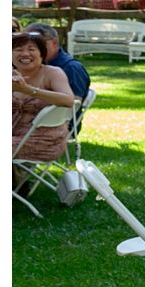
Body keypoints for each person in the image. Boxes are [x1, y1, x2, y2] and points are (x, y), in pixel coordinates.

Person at [13, 31, 78, 180]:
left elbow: (68, 100)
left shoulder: (52, 73)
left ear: (42, 54)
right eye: (18, 49)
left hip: (44, 140)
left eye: (31, 49)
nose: (25, 54)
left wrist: (28, 90)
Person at [23, 23, 91, 103]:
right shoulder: (29, 66)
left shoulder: (71, 68)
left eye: (37, 45)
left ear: (54, 43)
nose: (26, 52)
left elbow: (72, 105)